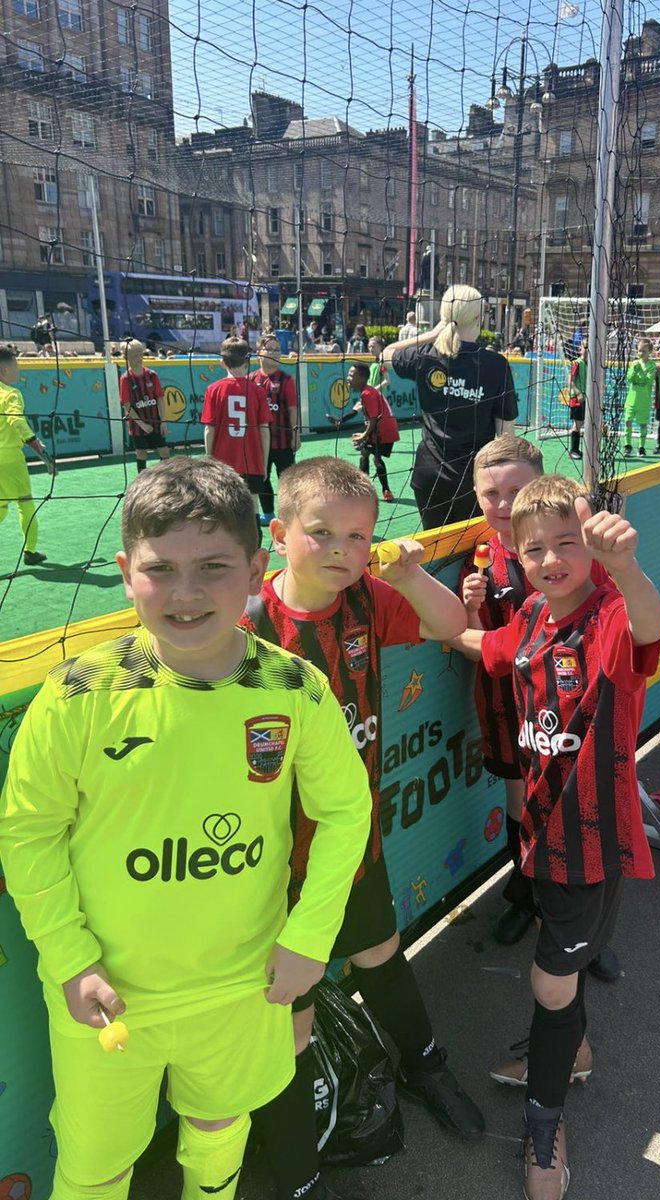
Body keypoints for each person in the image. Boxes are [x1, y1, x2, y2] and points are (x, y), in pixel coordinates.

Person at [0, 457, 371, 1200]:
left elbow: (345, 811)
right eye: (159, 569)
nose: (187, 592)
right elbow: (28, 832)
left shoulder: (294, 687)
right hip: (109, 995)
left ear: (256, 566)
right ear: (123, 570)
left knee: (218, 1128)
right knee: (97, 1166)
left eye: (212, 566)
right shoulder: (78, 692)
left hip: (243, 985)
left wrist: (309, 939)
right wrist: (72, 960)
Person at [239, 458, 483, 1200]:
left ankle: (426, 1066)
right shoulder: (247, 619)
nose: (343, 549)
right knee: (289, 1012)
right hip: (271, 867)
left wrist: (410, 576)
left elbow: (453, 625)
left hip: (353, 844)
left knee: (380, 951)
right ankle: (300, 1168)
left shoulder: (369, 600)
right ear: (279, 535)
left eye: (358, 536)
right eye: (321, 533)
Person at [456, 475, 660, 1200]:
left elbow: (648, 627)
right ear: (516, 555)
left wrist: (630, 568)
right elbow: (469, 637)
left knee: (549, 978)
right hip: (540, 837)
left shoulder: (608, 615)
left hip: (591, 848)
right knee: (560, 974)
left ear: (592, 546)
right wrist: (393, 580)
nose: (551, 558)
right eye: (535, 548)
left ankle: (545, 1125)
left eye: (567, 543)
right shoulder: (534, 623)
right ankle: (570, 1049)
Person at [454, 437, 544, 946]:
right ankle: (528, 895)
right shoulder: (482, 563)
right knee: (522, 805)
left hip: (569, 712)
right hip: (508, 709)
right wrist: (469, 609)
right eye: (491, 494)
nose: (504, 504)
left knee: (574, 808)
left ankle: (580, 924)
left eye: (517, 489)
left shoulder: (571, 549)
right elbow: (474, 647)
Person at [383, 284, 518, 529]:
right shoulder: (495, 365)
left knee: (437, 552)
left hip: (430, 477)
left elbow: (386, 353)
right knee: (476, 555)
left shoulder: (426, 356)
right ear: (478, 318)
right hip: (475, 481)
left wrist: (432, 333)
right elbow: (506, 437)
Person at [201, 337, 272, 512]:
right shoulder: (258, 391)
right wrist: (263, 462)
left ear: (222, 362)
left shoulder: (213, 389)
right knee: (252, 507)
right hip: (252, 462)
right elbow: (264, 431)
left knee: (223, 508)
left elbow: (209, 430)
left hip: (222, 464)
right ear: (248, 361)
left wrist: (209, 459)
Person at [0, 345, 54, 565]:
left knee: (2, 506)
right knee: (25, 503)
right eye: (16, 365)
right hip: (10, 460)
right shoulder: (12, 394)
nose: (19, 370)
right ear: (3, 370)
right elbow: (16, 421)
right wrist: (39, 450)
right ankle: (30, 551)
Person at [252, 335, 299, 524]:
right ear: (258, 354)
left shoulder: (285, 379)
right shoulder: (251, 379)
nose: (273, 352)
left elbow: (293, 409)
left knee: (287, 480)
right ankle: (269, 514)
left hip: (283, 441)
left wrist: (296, 435)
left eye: (276, 349)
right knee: (262, 478)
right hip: (259, 443)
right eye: (269, 348)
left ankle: (293, 515)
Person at [346, 361, 399, 501]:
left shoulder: (367, 394)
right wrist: (365, 434)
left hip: (383, 431)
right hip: (385, 429)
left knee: (374, 457)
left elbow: (374, 419)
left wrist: (364, 435)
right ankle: (378, 490)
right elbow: (372, 418)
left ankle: (370, 490)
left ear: (362, 378)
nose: (348, 378)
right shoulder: (368, 391)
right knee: (366, 454)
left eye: (351, 375)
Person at [118, 339, 170, 473]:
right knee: (141, 453)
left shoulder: (152, 375)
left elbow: (160, 399)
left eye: (140, 354)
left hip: (155, 422)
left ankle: (165, 479)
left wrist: (163, 422)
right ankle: (141, 481)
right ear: (126, 357)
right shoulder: (125, 379)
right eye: (135, 355)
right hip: (137, 425)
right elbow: (126, 405)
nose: (139, 358)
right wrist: (142, 425)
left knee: (164, 451)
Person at [623, 337, 656, 457]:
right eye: (639, 350)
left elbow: (647, 380)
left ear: (650, 351)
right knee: (627, 421)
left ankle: (641, 447)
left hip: (644, 401)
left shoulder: (652, 365)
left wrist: (639, 373)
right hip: (631, 399)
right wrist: (635, 372)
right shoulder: (634, 363)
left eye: (644, 351)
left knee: (643, 424)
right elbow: (630, 378)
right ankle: (627, 445)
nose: (641, 353)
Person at [567, 344, 588, 461]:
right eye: (586, 347)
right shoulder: (577, 363)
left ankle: (579, 449)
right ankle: (573, 450)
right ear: (580, 350)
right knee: (578, 423)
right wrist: (578, 393)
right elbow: (570, 380)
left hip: (586, 398)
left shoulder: (589, 364)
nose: (588, 350)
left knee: (584, 422)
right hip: (577, 398)